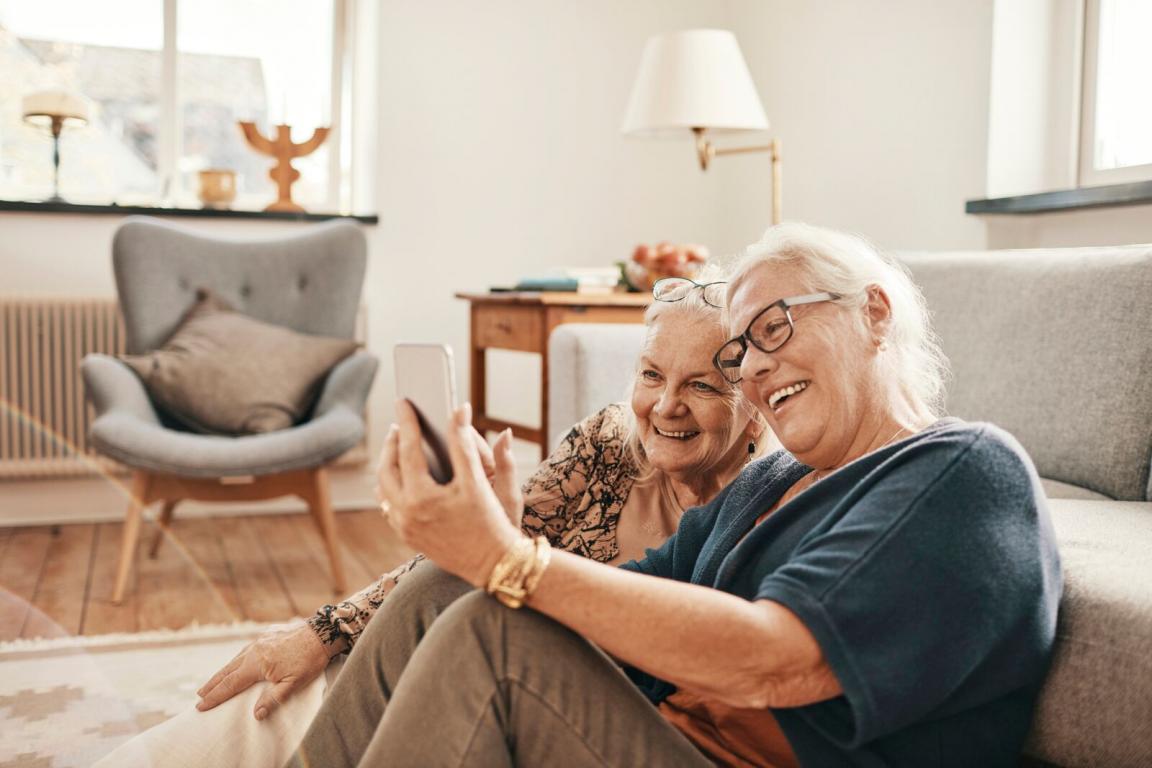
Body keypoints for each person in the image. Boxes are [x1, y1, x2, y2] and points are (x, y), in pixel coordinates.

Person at [292, 222, 1062, 767]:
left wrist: (512, 561)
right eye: (740, 351)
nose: (753, 368)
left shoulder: (960, 469)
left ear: (873, 312)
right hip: (655, 736)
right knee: (447, 590)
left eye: (772, 328)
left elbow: (774, 662)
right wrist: (490, 543)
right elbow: (610, 626)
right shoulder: (770, 483)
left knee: (495, 637)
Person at [94, 267, 770, 767]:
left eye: (703, 386)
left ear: (756, 405)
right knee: (416, 604)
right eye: (651, 375)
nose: (665, 405)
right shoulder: (606, 442)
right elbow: (471, 557)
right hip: (498, 665)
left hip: (580, 709)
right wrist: (323, 631)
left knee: (461, 626)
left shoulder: (766, 507)